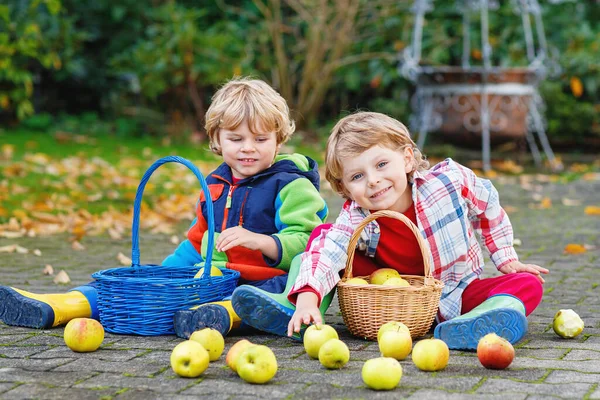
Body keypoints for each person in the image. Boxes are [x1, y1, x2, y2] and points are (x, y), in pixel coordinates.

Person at [0, 77, 332, 339]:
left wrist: (261, 242)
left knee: (254, 296)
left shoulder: (291, 184)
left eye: (260, 140)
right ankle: (59, 305)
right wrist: (160, 276)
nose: (248, 149)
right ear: (217, 140)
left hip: (267, 283)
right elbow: (197, 241)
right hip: (215, 279)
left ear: (279, 139)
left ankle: (228, 316)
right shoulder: (214, 185)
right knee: (135, 293)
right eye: (236, 139)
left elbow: (309, 244)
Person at [234, 111, 549, 350]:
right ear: (344, 188)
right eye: (358, 176)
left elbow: (487, 201)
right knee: (322, 239)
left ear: (408, 158)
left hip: (453, 290)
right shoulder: (356, 215)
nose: (372, 180)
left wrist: (504, 256)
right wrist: (307, 297)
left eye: (381, 165)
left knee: (528, 283)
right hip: (385, 289)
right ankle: (298, 308)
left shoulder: (448, 182)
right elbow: (328, 254)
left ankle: (472, 325)